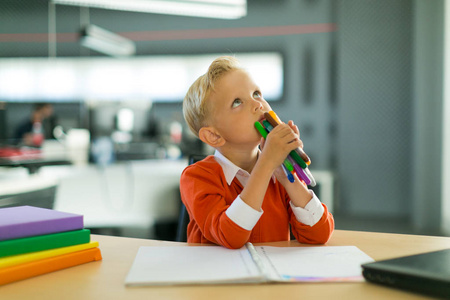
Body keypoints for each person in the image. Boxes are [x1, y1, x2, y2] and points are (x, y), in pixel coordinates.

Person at [180, 56, 334, 249]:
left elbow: (319, 234)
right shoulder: (197, 178)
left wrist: (287, 177)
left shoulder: (278, 173)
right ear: (213, 135)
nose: (258, 104)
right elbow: (231, 235)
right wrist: (266, 164)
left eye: (256, 93)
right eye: (237, 102)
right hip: (219, 277)